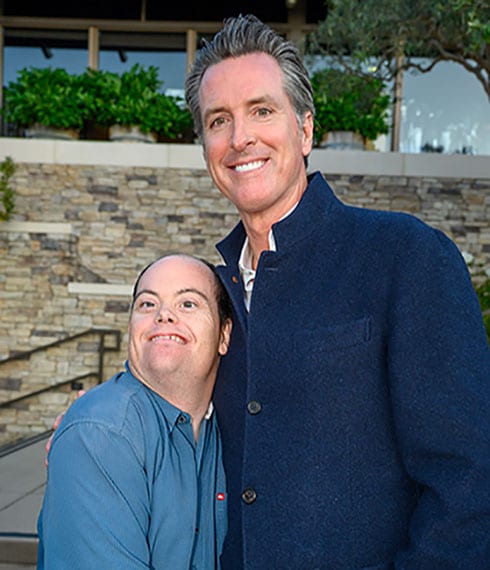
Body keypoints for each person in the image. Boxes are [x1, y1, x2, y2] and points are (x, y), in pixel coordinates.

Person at [183, 13, 490, 569]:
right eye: (218, 120)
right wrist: (93, 426)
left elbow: (468, 483)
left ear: (305, 130)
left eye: (261, 110)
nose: (239, 138)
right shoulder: (213, 293)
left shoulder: (406, 257)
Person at [38, 254, 232, 569]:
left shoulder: (234, 431)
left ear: (224, 334)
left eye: (188, 303)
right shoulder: (99, 433)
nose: (164, 315)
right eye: (147, 304)